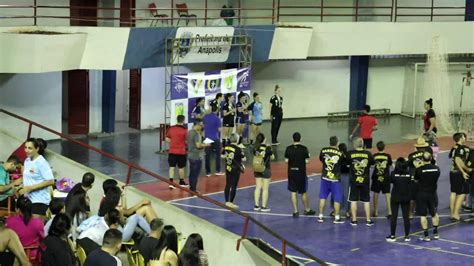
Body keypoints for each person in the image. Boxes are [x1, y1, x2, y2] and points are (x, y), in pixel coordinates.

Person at [18, 138, 55, 217]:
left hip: (39, 201)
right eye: (25, 147)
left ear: (37, 149)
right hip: (27, 200)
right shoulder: (27, 160)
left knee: (34, 227)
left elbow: (51, 181)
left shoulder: (42, 162)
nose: (26, 150)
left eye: (30, 148)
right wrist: (21, 187)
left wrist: (30, 188)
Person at [284, 132, 315, 218]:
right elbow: (307, 161)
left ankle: (295, 211)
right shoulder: (304, 149)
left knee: (293, 192)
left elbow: (286, 160)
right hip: (301, 172)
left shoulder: (288, 148)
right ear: (300, 139)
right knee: (303, 192)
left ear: (292, 139)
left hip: (291, 172)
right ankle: (307, 209)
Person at [6, 196, 44, 260]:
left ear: (17, 209)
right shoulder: (38, 222)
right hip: (34, 257)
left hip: (16, 256)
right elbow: (42, 240)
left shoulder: (9, 222)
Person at [348, 137, 375, 226]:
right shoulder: (368, 153)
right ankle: (368, 220)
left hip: (354, 180)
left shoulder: (350, 153)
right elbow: (373, 163)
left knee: (353, 200)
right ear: (363, 144)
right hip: (365, 180)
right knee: (366, 200)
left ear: (354, 145)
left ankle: (354, 220)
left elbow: (346, 163)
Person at [415, 152, 441, 242]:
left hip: (422, 194)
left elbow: (416, 179)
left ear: (422, 159)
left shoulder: (419, 170)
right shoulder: (437, 169)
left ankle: (426, 235)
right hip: (432, 194)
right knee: (434, 213)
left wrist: (418, 167)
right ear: (431, 159)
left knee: (423, 215)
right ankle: (436, 233)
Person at [318, 136, 344, 223]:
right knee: (337, 198)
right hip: (335, 179)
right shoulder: (340, 153)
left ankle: (320, 216)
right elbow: (342, 163)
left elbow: (322, 159)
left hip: (325, 178)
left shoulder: (323, 150)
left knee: (323, 197)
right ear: (337, 143)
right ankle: (337, 217)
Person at [386, 158, 412, 242]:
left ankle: (393, 236)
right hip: (406, 197)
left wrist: (395, 170)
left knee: (394, 216)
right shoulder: (409, 174)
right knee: (406, 217)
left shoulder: (393, 174)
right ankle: (407, 236)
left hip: (395, 197)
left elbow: (390, 181)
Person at [408, 137, 434, 219]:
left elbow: (409, 165)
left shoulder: (411, 155)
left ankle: (411, 213)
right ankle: (428, 210)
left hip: (414, 177)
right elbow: (433, 164)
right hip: (425, 177)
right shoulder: (428, 155)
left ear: (416, 147)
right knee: (427, 194)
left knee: (412, 197)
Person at [449, 132, 472, 221]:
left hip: (453, 172)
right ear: (460, 138)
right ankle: (456, 214)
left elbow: (452, 156)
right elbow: (458, 159)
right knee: (462, 193)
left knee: (453, 192)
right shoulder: (461, 148)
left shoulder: (454, 148)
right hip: (459, 173)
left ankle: (452, 213)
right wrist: (464, 170)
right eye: (463, 136)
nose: (465, 137)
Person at [222, 133, 246, 209]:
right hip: (235, 169)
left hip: (228, 167)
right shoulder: (238, 149)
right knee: (234, 186)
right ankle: (231, 202)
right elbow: (244, 158)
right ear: (237, 139)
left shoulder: (226, 147)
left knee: (227, 184)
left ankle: (226, 201)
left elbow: (222, 155)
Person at [371, 141, 393, 218]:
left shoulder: (374, 156)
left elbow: (372, 164)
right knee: (387, 193)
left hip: (376, 177)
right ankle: (390, 211)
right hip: (385, 177)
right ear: (384, 147)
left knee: (376, 193)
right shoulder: (388, 156)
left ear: (377, 147)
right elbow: (390, 164)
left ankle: (376, 211)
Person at [166, 115, 189, 189]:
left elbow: (167, 138)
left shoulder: (171, 129)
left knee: (171, 167)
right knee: (181, 168)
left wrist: (172, 142)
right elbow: (186, 141)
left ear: (177, 119)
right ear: (183, 120)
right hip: (181, 152)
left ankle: (171, 183)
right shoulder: (185, 130)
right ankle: (181, 182)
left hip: (172, 151)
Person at [253, 133, 274, 212]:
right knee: (265, 189)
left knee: (258, 187)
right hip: (266, 169)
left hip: (257, 168)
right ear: (264, 139)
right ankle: (264, 207)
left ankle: (256, 205)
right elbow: (272, 157)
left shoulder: (255, 148)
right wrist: (269, 147)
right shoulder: (267, 148)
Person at [187, 120, 209, 192]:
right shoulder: (196, 134)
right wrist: (206, 144)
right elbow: (198, 146)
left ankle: (191, 187)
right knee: (195, 174)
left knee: (191, 173)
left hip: (190, 155)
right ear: (198, 125)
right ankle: (193, 189)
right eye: (201, 124)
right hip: (196, 156)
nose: (203, 126)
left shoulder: (189, 132)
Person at [203, 105, 224, 177]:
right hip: (215, 138)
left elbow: (203, 125)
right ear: (217, 110)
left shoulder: (205, 117)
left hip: (207, 139)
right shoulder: (217, 119)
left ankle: (208, 172)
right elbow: (219, 130)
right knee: (218, 155)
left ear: (211, 109)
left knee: (207, 156)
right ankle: (218, 171)